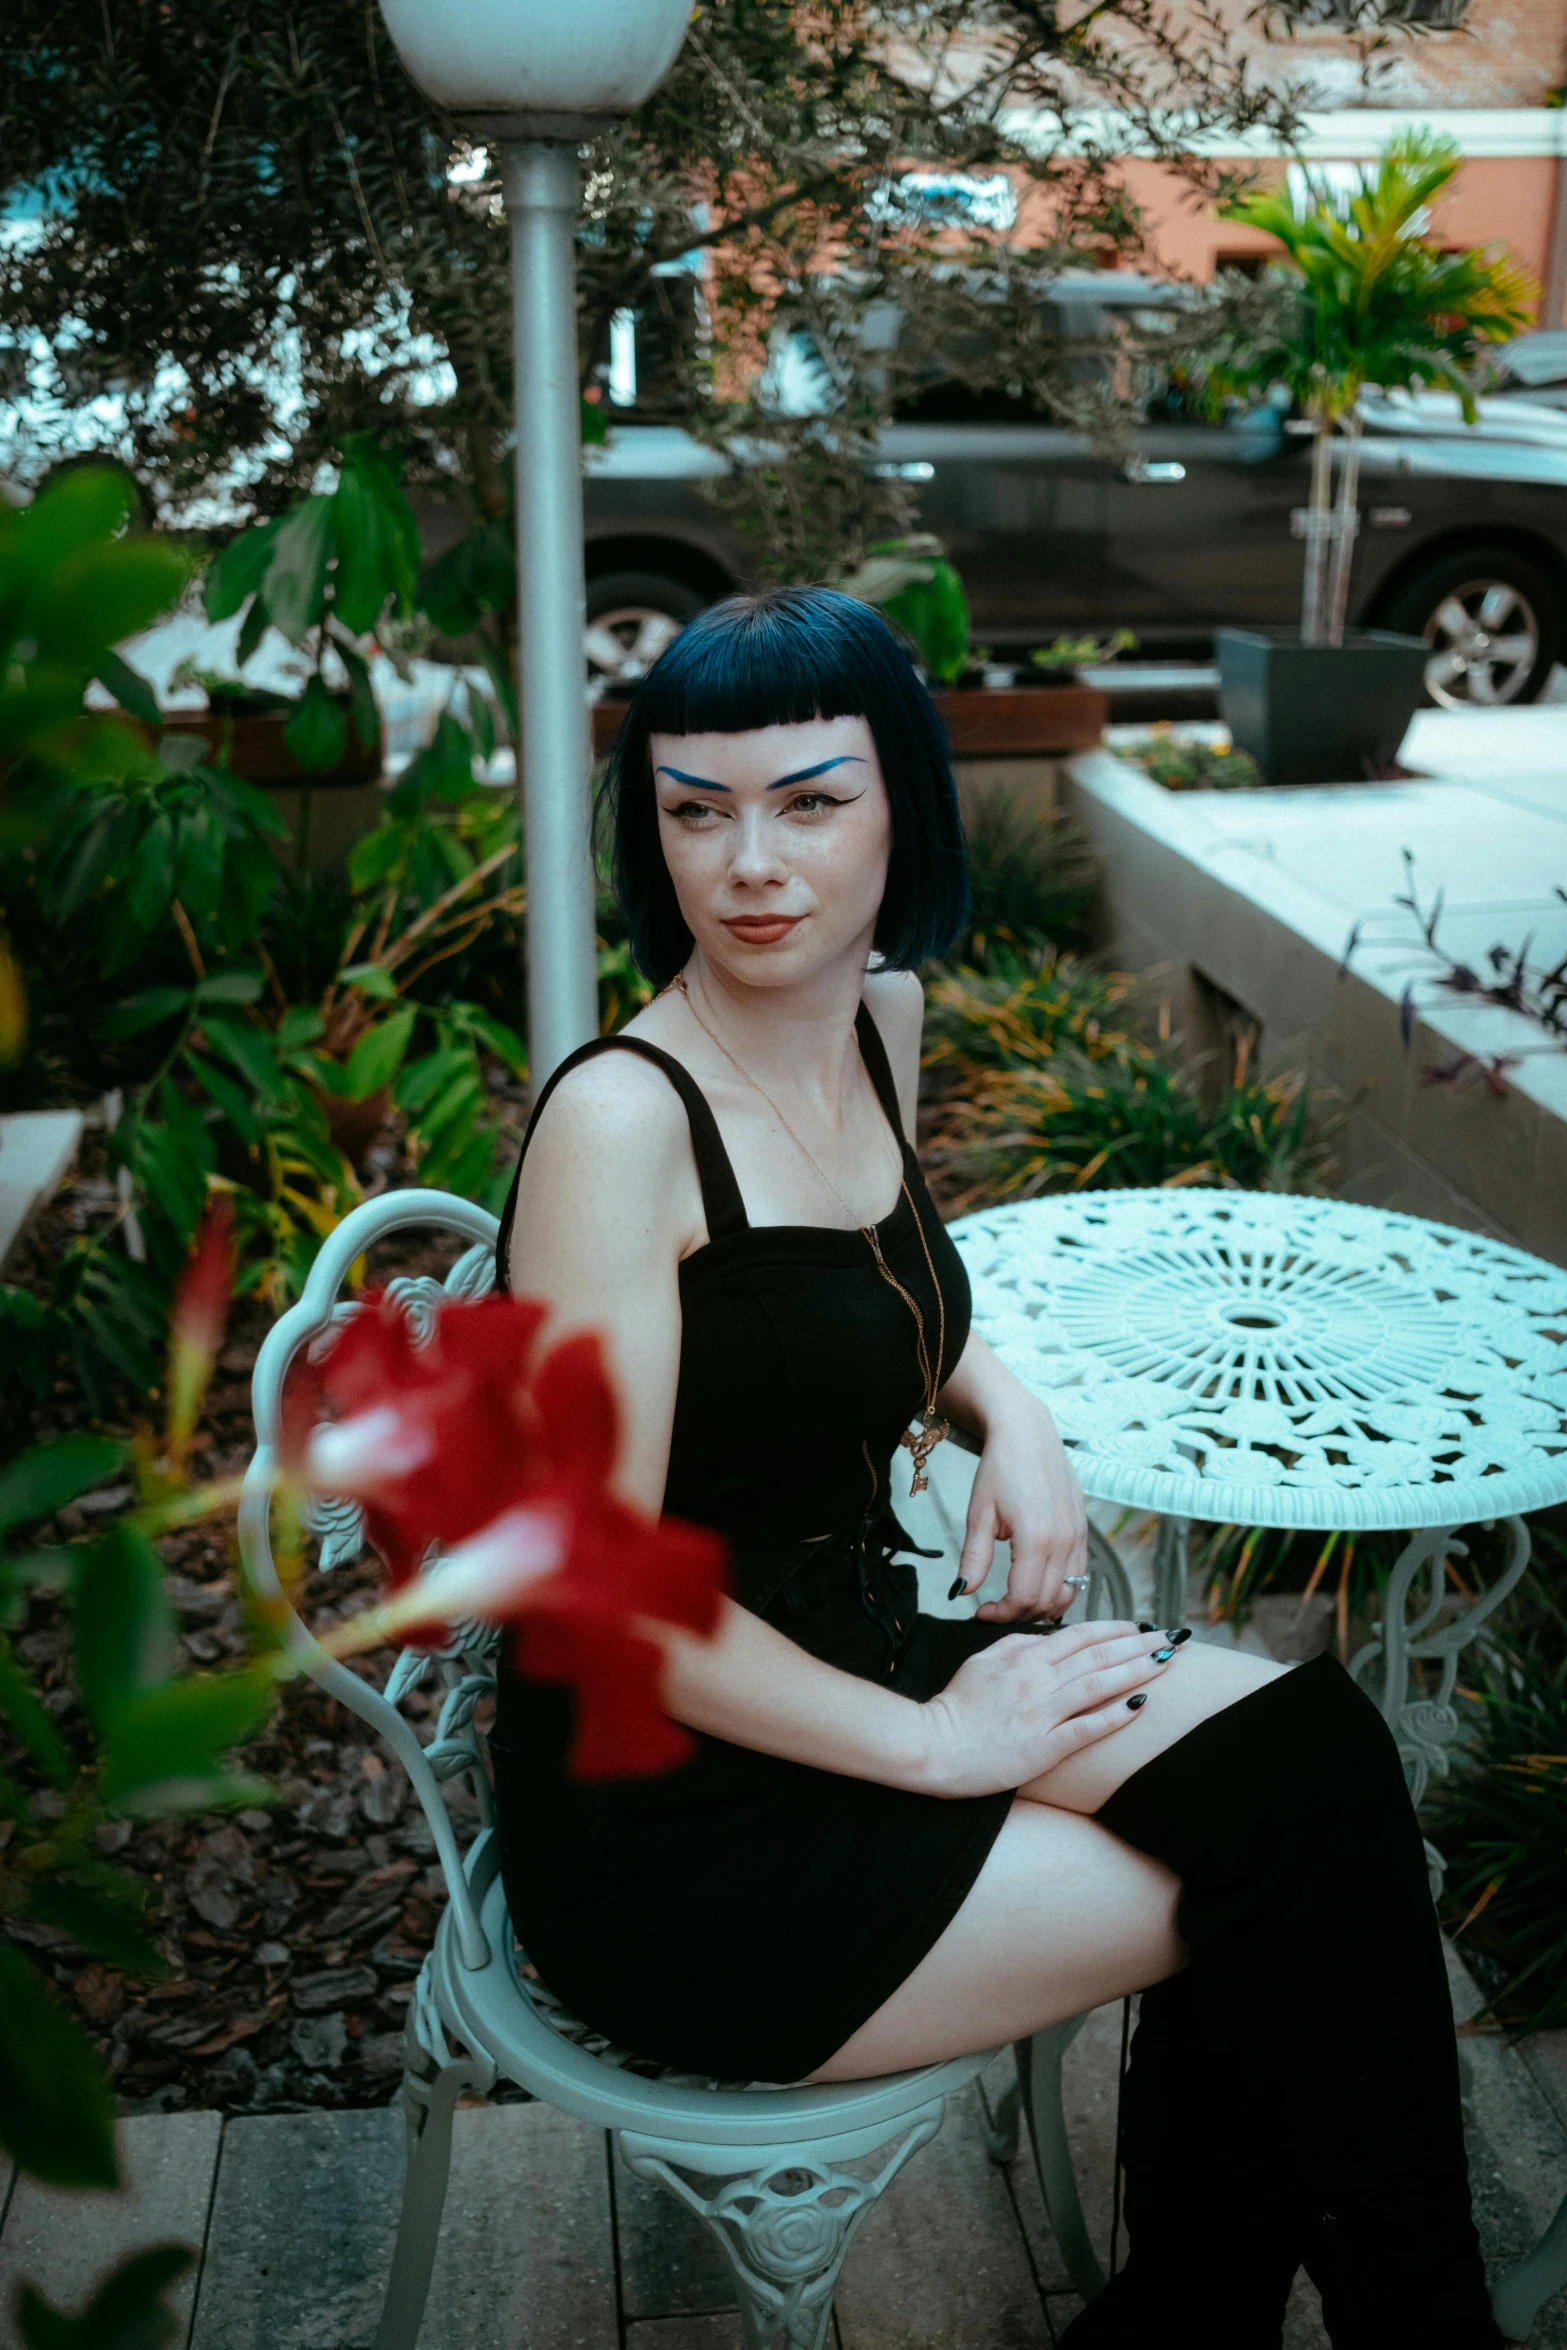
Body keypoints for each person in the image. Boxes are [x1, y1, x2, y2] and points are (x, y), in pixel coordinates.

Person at [490, 587, 1501, 2348]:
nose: (749, 864)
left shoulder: (870, 1018)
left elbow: (855, 1294)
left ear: (905, 805)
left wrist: (1005, 1411)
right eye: (693, 808)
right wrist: (942, 1744)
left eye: (809, 800)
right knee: (1289, 1881)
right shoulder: (620, 1126)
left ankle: (1209, 2308)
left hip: (850, 1646)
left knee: (1310, 1752)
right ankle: (1331, 2320)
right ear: (647, 824)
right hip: (675, 1813)